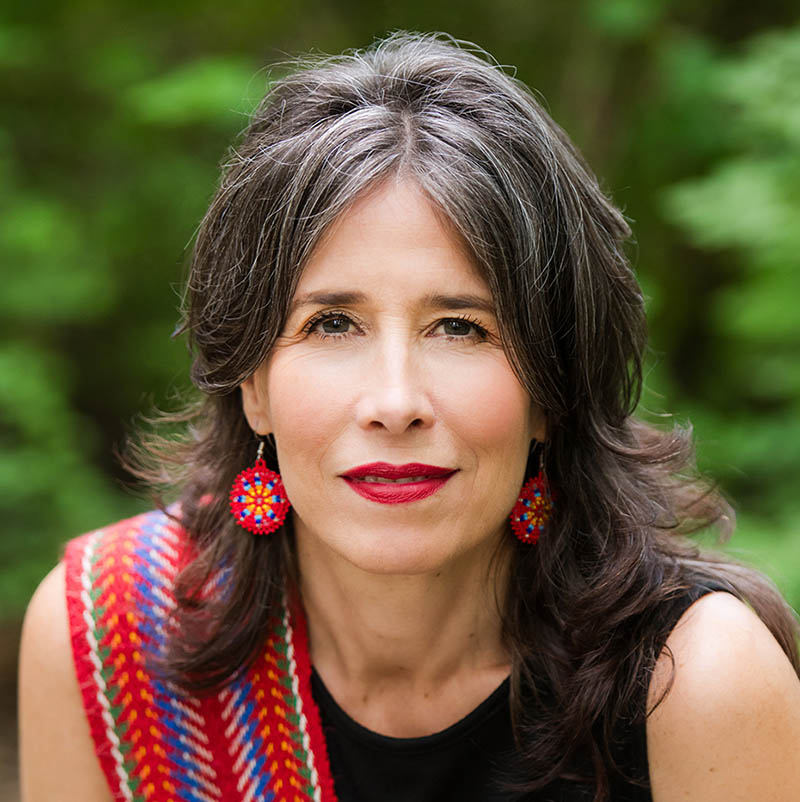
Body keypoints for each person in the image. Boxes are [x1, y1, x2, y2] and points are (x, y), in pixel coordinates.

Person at [18, 30, 800, 802]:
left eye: (461, 327)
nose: (395, 404)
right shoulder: (112, 640)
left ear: (552, 390)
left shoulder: (697, 685)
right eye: (332, 324)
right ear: (252, 384)